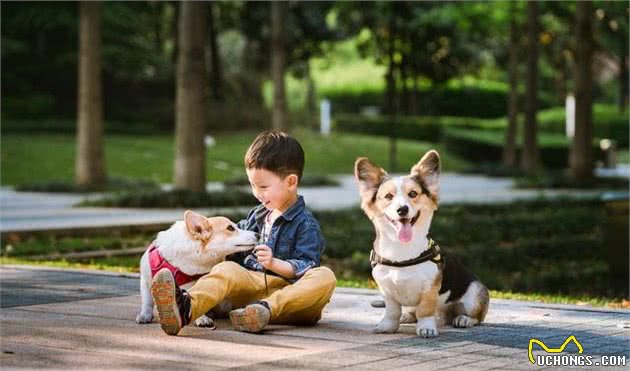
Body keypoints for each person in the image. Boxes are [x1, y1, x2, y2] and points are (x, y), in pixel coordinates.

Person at [151, 130, 337, 335]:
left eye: (263, 187)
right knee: (227, 269)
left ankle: (263, 311)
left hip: (291, 299)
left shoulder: (306, 225)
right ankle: (186, 308)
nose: (257, 193)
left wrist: (275, 263)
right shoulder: (256, 216)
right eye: (252, 185)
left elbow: (307, 264)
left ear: (291, 182)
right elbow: (229, 244)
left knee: (325, 276)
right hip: (251, 291)